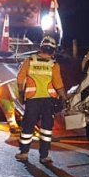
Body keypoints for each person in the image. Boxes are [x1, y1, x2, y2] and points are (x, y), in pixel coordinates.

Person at [15, 35, 67, 164]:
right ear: (53, 50)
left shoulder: (30, 61)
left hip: (32, 100)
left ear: (41, 48)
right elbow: (58, 84)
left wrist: (21, 94)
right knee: (46, 128)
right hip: (49, 101)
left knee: (28, 126)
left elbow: (20, 80)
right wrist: (64, 98)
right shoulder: (53, 65)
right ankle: (44, 156)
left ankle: (24, 153)